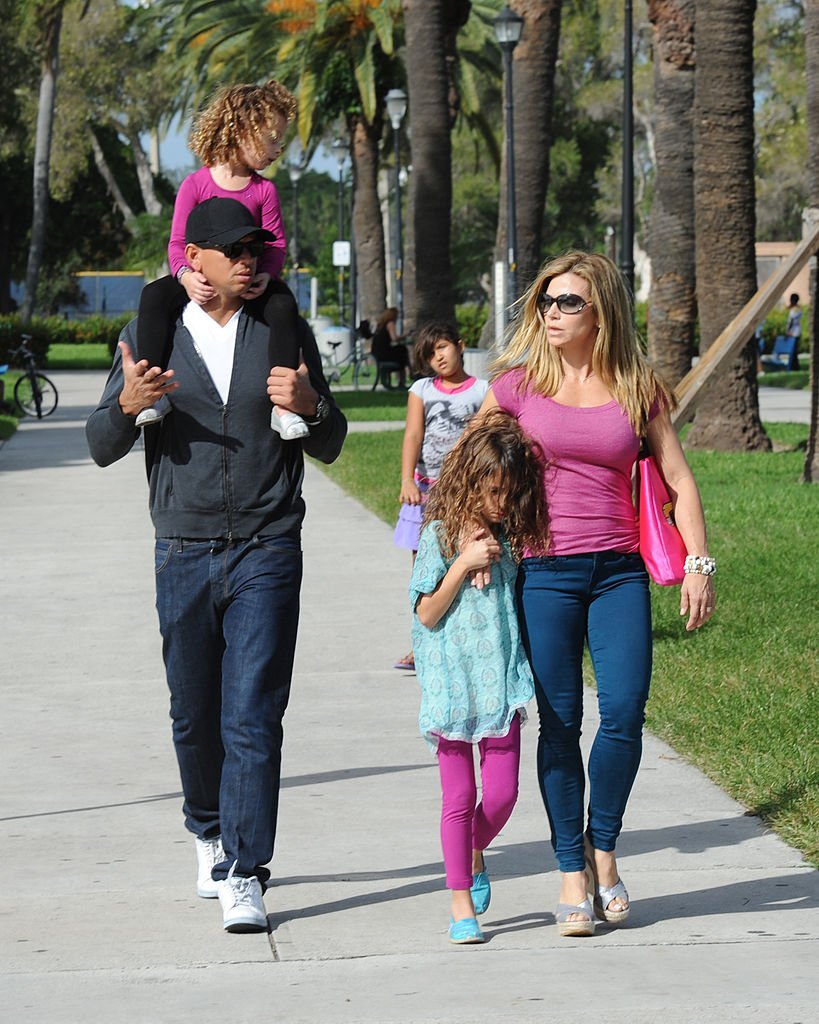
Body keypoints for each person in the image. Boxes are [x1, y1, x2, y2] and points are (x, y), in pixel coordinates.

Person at [86, 197, 347, 934]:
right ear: (192, 258)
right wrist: (126, 406)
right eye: (229, 248)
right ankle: (206, 829)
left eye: (253, 248)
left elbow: (327, 441)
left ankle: (245, 869)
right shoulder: (150, 332)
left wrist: (313, 406)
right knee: (193, 716)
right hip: (182, 548)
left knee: (254, 719)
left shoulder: (283, 329)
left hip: (267, 546)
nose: (246, 258)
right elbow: (101, 444)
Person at [481, 250, 716, 937]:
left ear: (600, 311)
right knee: (559, 725)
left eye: (568, 303)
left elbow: (678, 479)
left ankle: (602, 849)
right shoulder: (516, 387)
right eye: (547, 302)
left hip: (617, 573)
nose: (551, 313)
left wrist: (698, 563)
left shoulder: (635, 387)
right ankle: (569, 872)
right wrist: (475, 534)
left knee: (622, 714)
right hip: (544, 574)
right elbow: (466, 468)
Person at [410, 411, 547, 944]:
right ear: (470, 482)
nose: (499, 504)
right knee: (459, 797)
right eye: (491, 492)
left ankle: (471, 849)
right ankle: (459, 900)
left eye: (508, 494)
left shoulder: (513, 537)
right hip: (452, 686)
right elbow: (426, 613)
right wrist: (463, 561)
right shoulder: (442, 536)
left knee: (504, 796)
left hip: (501, 686)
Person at [135, 79, 309, 441]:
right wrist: (183, 275)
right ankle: (151, 393)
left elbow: (275, 243)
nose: (279, 148)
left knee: (283, 305)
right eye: (273, 138)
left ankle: (283, 406)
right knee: (154, 296)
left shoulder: (265, 190)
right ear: (243, 129)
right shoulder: (195, 185)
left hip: (248, 281)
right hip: (197, 279)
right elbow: (178, 242)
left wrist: (267, 275)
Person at [393, 322, 488, 670]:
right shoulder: (421, 389)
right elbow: (413, 435)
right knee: (425, 570)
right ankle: (422, 642)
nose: (439, 358)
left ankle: (471, 639)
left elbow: (486, 441)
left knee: (471, 566)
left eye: (444, 348)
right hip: (426, 493)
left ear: (460, 346)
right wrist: (407, 479)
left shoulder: (481, 390)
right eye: (431, 355)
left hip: (469, 497)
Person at [371, 307, 411, 386]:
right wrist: (405, 335)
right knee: (403, 351)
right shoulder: (390, 324)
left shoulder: (380, 325)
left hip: (377, 354)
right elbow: (394, 338)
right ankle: (406, 377)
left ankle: (410, 371)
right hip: (385, 353)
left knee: (401, 351)